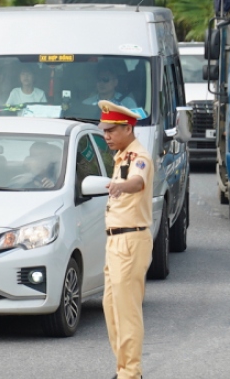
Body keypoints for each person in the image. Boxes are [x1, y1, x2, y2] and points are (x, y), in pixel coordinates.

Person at [98, 100, 154, 379]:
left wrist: (122, 186)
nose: (106, 135)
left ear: (127, 127)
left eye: (110, 130)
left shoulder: (138, 156)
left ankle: (131, 374)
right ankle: (123, 370)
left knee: (127, 311)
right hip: (116, 241)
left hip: (131, 240)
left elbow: (138, 182)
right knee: (111, 308)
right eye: (104, 130)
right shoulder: (121, 155)